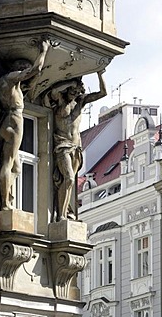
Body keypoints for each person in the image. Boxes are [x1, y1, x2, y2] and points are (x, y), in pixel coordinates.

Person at [0, 39, 50, 211]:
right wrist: (43, 51)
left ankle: (8, 198)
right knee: (8, 162)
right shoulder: (11, 78)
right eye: (23, 67)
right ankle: (5, 203)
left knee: (17, 167)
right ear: (17, 69)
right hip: (14, 119)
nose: (25, 70)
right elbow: (36, 70)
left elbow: (33, 81)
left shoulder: (11, 84)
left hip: (9, 120)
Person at [50, 70, 106, 221]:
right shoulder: (60, 100)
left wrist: (100, 74)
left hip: (76, 147)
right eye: (72, 90)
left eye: (77, 91)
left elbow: (103, 93)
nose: (74, 93)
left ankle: (67, 212)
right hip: (62, 145)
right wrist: (70, 82)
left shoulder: (80, 102)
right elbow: (54, 90)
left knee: (69, 182)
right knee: (68, 179)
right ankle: (61, 216)